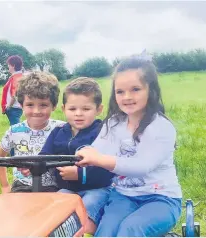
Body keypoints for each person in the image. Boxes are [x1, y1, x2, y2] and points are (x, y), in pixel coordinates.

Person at [75, 56, 182, 236]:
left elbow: (142, 166)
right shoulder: (114, 123)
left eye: (135, 89)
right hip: (123, 196)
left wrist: (99, 159)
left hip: (161, 199)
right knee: (106, 231)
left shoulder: (160, 127)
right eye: (120, 91)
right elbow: (95, 149)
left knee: (130, 229)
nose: (127, 97)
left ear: (151, 90)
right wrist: (82, 154)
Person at [26, 77, 114, 236]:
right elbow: (44, 156)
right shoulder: (58, 132)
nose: (78, 114)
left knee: (85, 211)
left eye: (86, 109)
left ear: (98, 109)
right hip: (66, 189)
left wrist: (80, 174)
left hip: (97, 189)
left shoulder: (103, 133)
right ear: (64, 108)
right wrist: (32, 165)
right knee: (56, 213)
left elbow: (108, 168)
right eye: (72, 109)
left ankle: (91, 230)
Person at [0, 71, 66, 193]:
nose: (36, 111)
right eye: (30, 105)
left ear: (53, 106)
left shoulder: (61, 129)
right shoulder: (14, 131)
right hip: (22, 186)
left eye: (43, 105)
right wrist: (5, 186)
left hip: (54, 187)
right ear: (22, 105)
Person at [1, 55, 24, 126]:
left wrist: (8, 106)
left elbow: (14, 95)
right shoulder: (18, 76)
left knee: (15, 130)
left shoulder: (16, 78)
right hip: (16, 108)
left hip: (14, 108)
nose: (8, 66)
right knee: (15, 129)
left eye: (9, 65)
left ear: (13, 66)